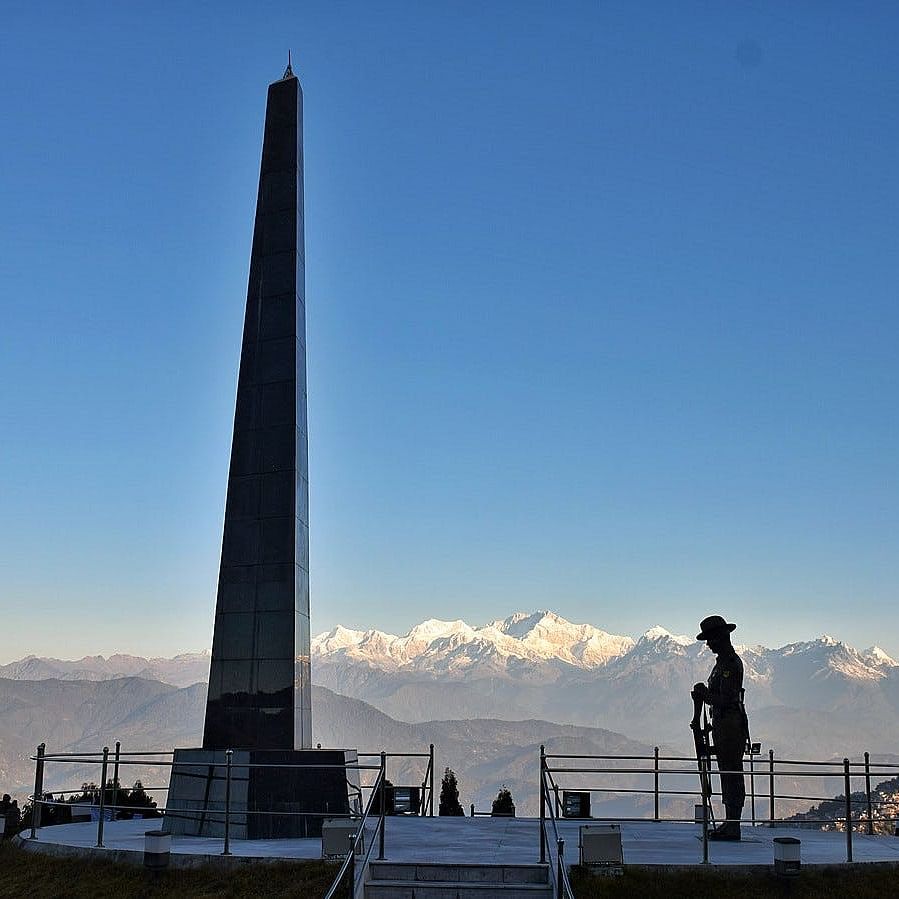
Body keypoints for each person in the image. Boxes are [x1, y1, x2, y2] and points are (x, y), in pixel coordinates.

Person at [693, 615, 748, 841]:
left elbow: (726, 698)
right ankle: (730, 822)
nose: (708, 644)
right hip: (722, 724)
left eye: (710, 639)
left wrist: (705, 695)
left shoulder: (730, 665)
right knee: (727, 771)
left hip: (730, 724)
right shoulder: (722, 663)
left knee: (732, 772)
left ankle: (733, 824)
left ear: (721, 637)